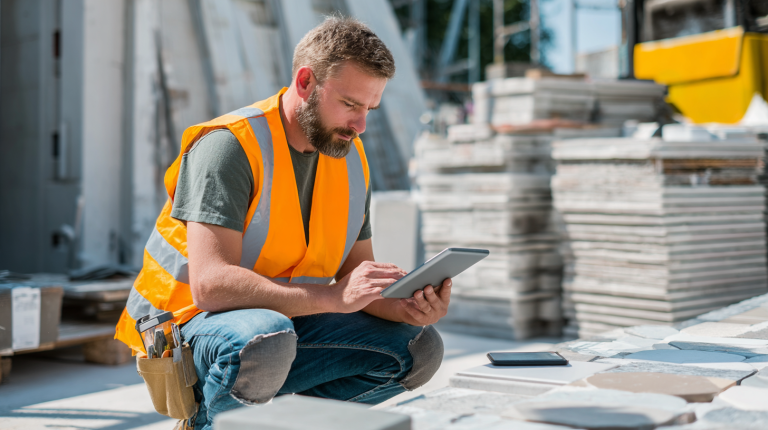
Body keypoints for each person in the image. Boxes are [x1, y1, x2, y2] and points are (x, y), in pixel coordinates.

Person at [115, 16, 451, 430]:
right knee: (267, 340)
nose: (361, 124)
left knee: (420, 348)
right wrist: (331, 299)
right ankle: (206, 423)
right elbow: (210, 286)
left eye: (369, 108)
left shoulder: (350, 158)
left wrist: (404, 306)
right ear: (306, 82)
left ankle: (290, 424)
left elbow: (354, 281)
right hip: (191, 330)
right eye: (350, 104)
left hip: (282, 324)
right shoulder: (230, 146)